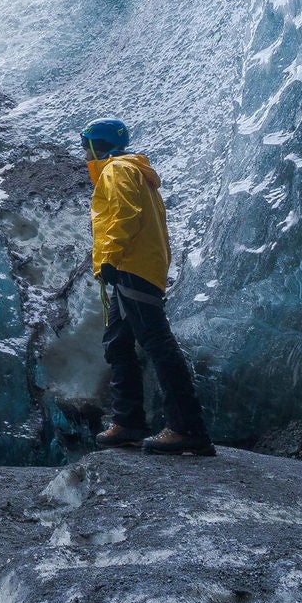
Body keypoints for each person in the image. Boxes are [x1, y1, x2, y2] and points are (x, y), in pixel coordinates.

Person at [81, 118, 214, 456]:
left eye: (86, 145)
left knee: (157, 344)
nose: (84, 153)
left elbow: (125, 214)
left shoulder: (117, 170)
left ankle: (187, 428)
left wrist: (109, 258)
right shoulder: (133, 170)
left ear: (98, 145)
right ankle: (128, 423)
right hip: (136, 266)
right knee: (118, 342)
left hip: (131, 266)